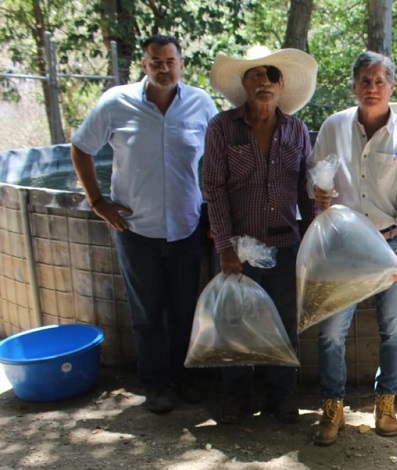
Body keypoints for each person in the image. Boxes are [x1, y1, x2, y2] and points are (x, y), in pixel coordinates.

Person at [70, 35, 217, 414]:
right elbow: (81, 147)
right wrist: (98, 201)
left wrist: (219, 211)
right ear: (144, 65)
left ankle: (184, 378)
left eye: (170, 61)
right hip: (136, 230)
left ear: (181, 64)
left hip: (186, 226)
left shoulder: (201, 104)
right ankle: (155, 385)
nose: (163, 69)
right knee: (147, 313)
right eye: (156, 62)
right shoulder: (115, 102)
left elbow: (218, 158)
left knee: (184, 310)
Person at [308, 51, 397, 445]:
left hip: (391, 242)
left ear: (392, 86)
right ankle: (332, 406)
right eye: (364, 80)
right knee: (330, 331)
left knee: (392, 329)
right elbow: (314, 177)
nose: (371, 88)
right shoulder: (333, 126)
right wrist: (318, 192)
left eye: (379, 81)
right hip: (343, 245)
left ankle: (386, 402)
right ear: (354, 85)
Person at [201, 46, 317, 425]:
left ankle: (282, 395)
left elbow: (306, 190)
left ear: (281, 85)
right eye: (256, 74)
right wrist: (224, 246)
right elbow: (213, 187)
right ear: (245, 83)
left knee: (283, 323)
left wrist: (314, 237)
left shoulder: (297, 130)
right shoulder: (222, 127)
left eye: (271, 75)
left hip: (286, 246)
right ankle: (236, 397)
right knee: (235, 321)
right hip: (238, 249)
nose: (264, 81)